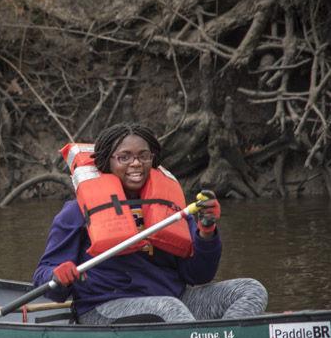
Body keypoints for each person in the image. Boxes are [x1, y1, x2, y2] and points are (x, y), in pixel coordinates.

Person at [33, 122, 268, 325]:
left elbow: (198, 275)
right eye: (124, 157)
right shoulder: (75, 212)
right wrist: (58, 275)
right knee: (169, 310)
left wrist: (206, 233)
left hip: (174, 301)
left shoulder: (170, 208)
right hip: (105, 309)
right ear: (107, 162)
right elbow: (43, 276)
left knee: (250, 290)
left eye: (143, 156)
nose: (136, 163)